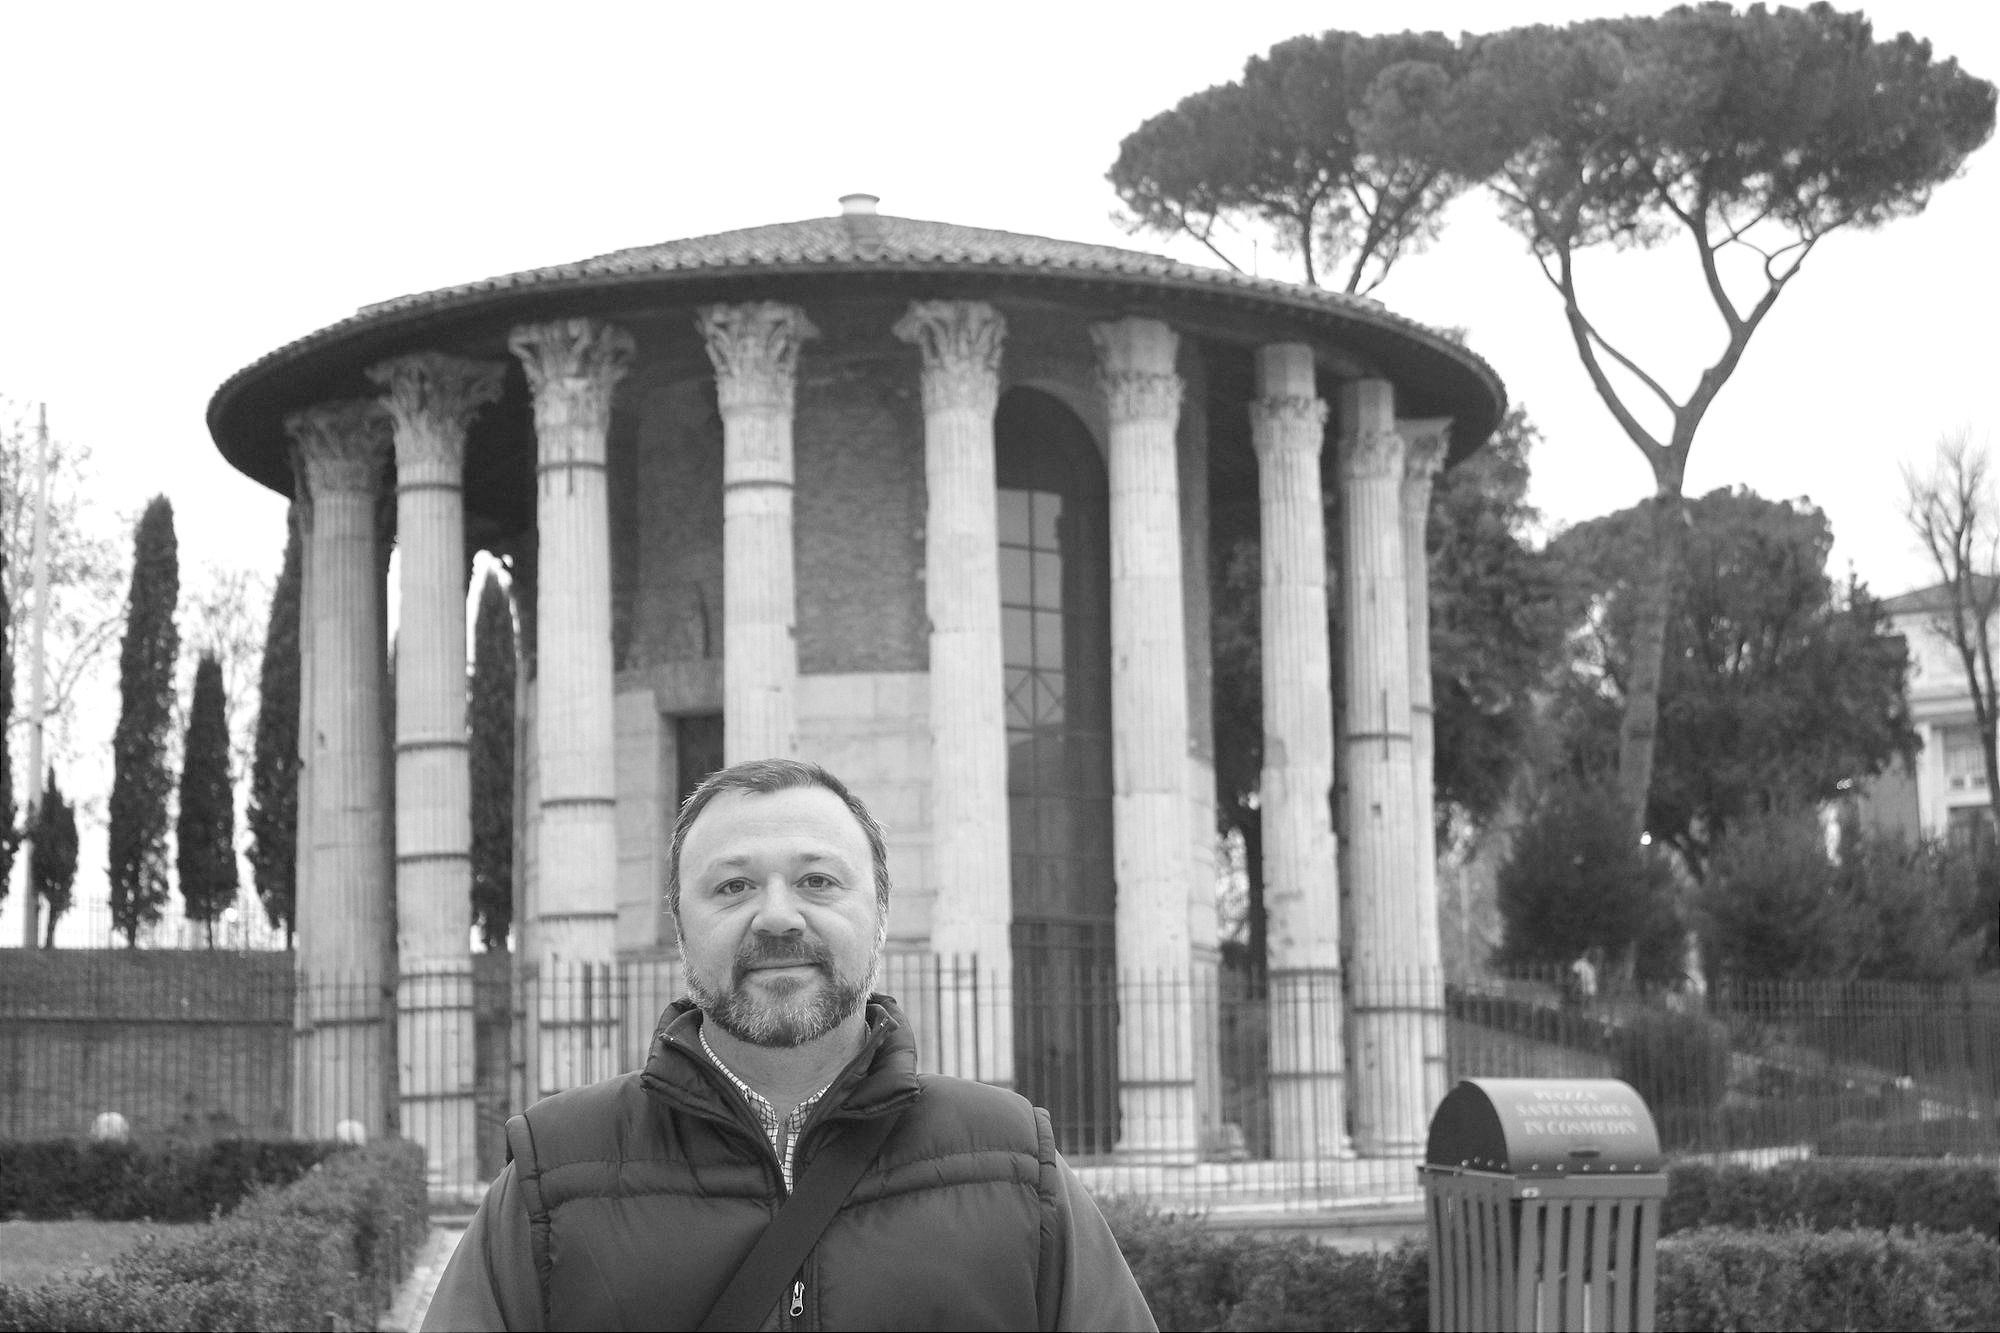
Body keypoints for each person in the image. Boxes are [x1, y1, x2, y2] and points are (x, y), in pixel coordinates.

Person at [422, 758, 1156, 1332]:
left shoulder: (1020, 1168)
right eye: (733, 886)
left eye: (817, 879)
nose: (777, 918)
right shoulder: (550, 1179)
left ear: (880, 917)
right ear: (680, 928)